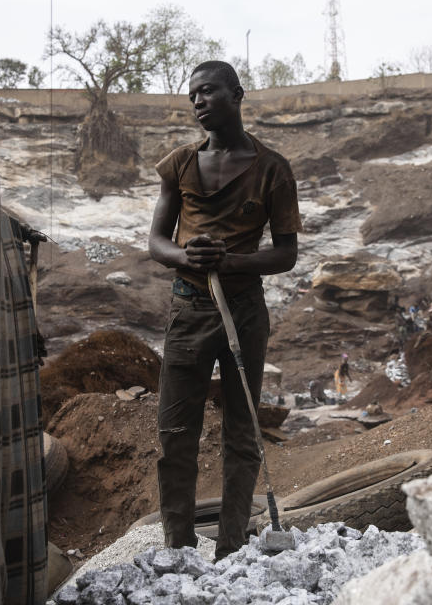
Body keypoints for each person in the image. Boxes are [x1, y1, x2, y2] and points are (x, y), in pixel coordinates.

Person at [147, 60, 302, 559]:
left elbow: (286, 253)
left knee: (242, 431)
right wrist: (186, 255)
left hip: (244, 311)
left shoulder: (273, 168)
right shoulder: (179, 164)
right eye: (192, 95)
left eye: (208, 91)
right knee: (175, 434)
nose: (197, 102)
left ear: (238, 95)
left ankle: (231, 547)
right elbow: (156, 242)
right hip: (188, 310)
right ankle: (179, 545)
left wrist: (231, 260)